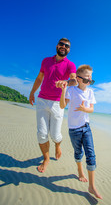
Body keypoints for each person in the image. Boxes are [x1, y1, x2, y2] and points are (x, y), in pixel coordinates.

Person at [29, 38, 76, 173]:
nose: (63, 47)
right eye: (61, 44)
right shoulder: (46, 61)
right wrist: (32, 92)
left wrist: (66, 82)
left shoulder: (70, 64)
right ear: (57, 46)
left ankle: (57, 145)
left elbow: (73, 80)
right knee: (42, 134)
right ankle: (46, 159)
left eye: (67, 46)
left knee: (55, 135)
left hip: (57, 103)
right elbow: (39, 78)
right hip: (42, 100)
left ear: (69, 50)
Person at [59, 65, 102, 199]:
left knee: (91, 155)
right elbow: (62, 106)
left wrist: (84, 109)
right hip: (74, 129)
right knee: (78, 153)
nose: (89, 81)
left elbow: (91, 109)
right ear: (78, 79)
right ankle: (79, 169)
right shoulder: (71, 90)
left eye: (91, 79)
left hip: (86, 127)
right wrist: (63, 90)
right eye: (87, 79)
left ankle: (92, 186)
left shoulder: (90, 93)